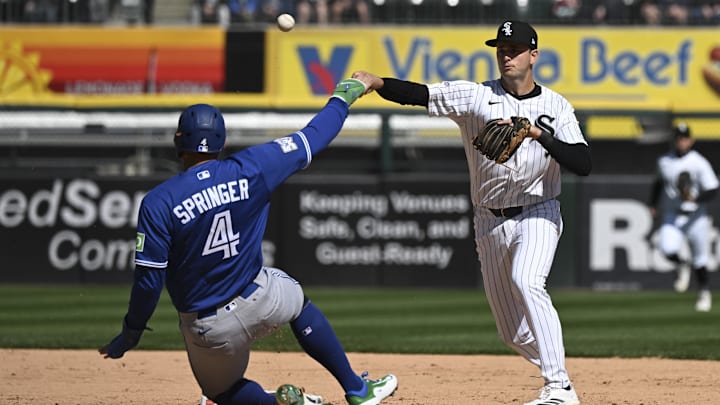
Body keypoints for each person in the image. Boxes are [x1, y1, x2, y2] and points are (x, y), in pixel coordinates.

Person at [99, 76, 398, 405]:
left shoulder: (159, 202)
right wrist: (345, 95)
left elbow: (149, 281)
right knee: (296, 300)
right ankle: (356, 389)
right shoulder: (254, 166)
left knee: (220, 393)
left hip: (208, 327)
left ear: (178, 141)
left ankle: (284, 404)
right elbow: (315, 136)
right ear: (221, 140)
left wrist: (132, 331)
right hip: (261, 299)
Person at [352, 20, 591, 405]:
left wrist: (538, 135)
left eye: (514, 48)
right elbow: (420, 94)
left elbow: (583, 162)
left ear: (534, 55)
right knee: (512, 334)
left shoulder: (557, 106)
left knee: (527, 280)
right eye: (501, 48)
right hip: (489, 220)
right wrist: (378, 82)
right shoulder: (476, 96)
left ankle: (558, 386)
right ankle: (557, 368)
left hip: (538, 210)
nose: (506, 54)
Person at [648, 123, 718, 312]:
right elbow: (658, 182)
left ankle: (704, 293)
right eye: (678, 138)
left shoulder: (698, 162)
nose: (681, 142)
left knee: (701, 259)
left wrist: (697, 198)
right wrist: (653, 204)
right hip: (673, 214)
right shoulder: (664, 161)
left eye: (684, 138)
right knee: (666, 248)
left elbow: (713, 188)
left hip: (696, 216)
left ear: (691, 140)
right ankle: (682, 264)